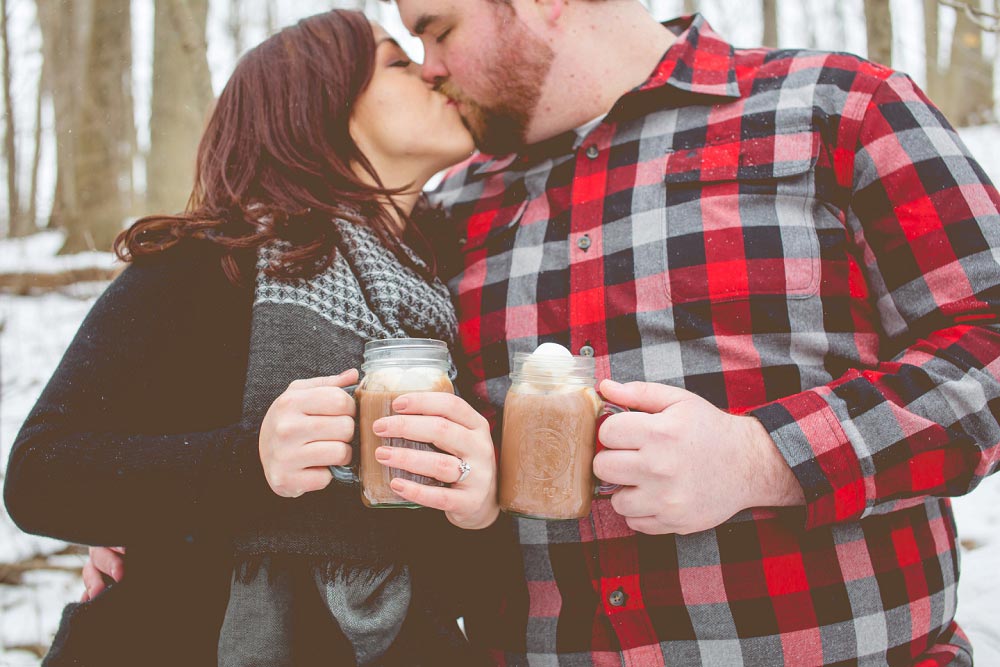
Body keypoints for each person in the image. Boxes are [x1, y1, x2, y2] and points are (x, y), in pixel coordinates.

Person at [84, 1, 1000, 664]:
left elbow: (987, 336)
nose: (429, 63)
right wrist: (167, 515)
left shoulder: (834, 110)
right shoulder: (439, 219)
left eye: (437, 29)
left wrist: (762, 456)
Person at [3, 10, 499, 667]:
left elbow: (438, 584)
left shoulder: (439, 297)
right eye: (398, 63)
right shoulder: (212, 265)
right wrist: (249, 460)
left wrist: (478, 510)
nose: (432, 73)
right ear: (318, 104)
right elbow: (41, 474)